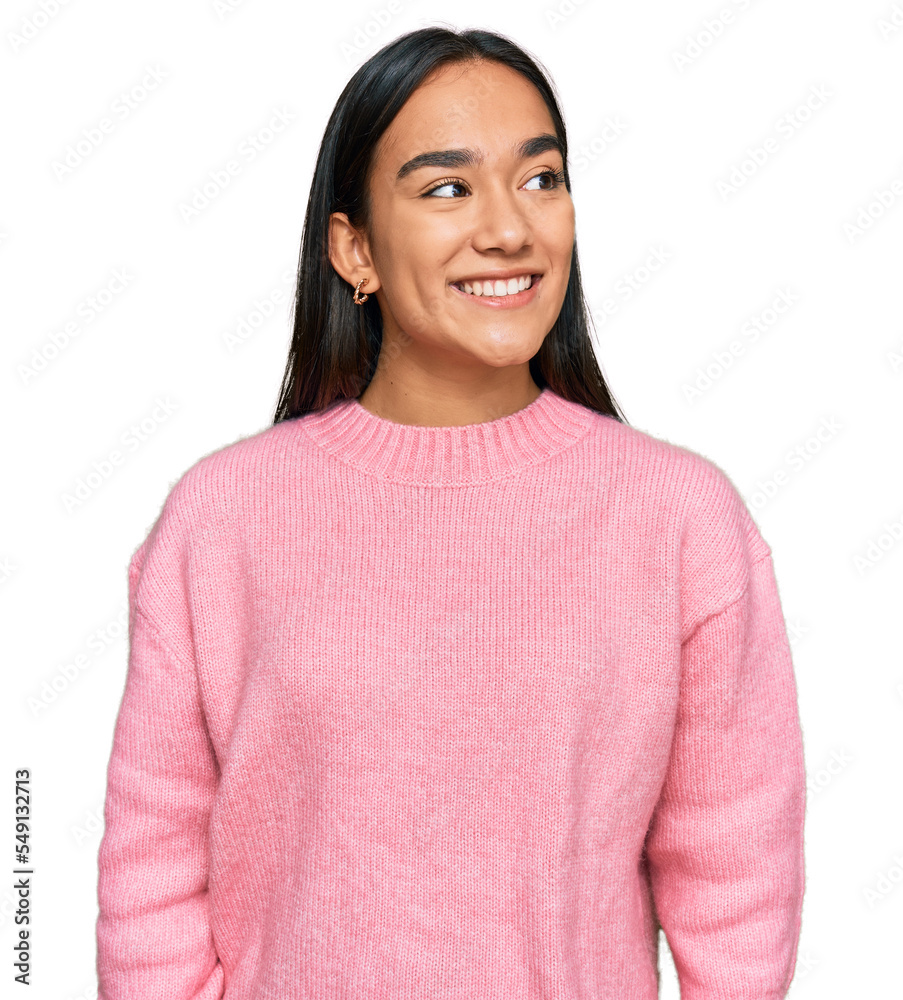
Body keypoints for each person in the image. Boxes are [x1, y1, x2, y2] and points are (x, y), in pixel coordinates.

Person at [95, 25, 806, 1000]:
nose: (509, 227)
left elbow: (736, 877)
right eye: (445, 188)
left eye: (541, 179)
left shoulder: (679, 520)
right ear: (355, 250)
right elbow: (152, 869)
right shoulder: (222, 522)